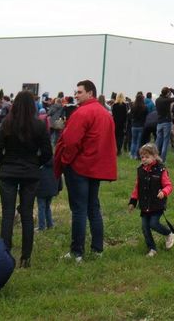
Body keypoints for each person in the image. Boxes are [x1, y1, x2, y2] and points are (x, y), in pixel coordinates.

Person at [54, 79, 117, 261]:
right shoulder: (105, 114)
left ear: (90, 93)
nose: (76, 95)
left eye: (79, 92)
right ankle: (97, 249)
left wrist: (66, 160)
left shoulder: (82, 112)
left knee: (79, 209)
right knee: (93, 208)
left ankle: (77, 253)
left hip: (80, 167)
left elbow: (70, 141)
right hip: (95, 168)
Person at [0, 90, 51, 269]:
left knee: (7, 214)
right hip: (30, 173)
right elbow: (48, 153)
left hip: (8, 172)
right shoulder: (39, 126)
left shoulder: (7, 124)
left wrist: (5, 164)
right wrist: (35, 163)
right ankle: (26, 257)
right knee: (27, 214)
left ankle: (5, 253)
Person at [129, 142, 174, 256]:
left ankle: (168, 233)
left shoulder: (161, 170)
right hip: (144, 205)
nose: (144, 159)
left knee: (153, 224)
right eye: (142, 157)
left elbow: (169, 186)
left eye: (147, 157)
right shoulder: (140, 170)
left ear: (155, 156)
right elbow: (137, 187)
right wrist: (133, 202)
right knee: (145, 227)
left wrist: (163, 192)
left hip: (157, 204)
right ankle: (152, 249)